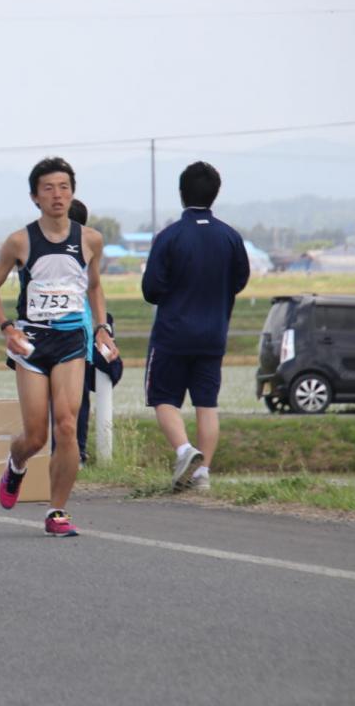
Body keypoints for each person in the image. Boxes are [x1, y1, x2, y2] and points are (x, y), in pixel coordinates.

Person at [0, 157, 119, 537]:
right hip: (31, 343)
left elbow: (93, 286)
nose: (57, 195)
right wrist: (7, 328)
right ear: (35, 197)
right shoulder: (20, 241)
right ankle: (16, 463)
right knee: (36, 435)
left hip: (72, 341)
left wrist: (102, 328)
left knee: (67, 424)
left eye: (63, 187)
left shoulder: (90, 239)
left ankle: (57, 510)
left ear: (72, 192)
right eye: (48, 188)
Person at [142, 162, 250, 491]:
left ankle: (185, 450)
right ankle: (204, 474)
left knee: (163, 398)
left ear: (181, 192)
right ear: (215, 193)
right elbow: (239, 280)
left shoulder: (170, 236)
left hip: (173, 333)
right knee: (207, 403)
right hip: (213, 333)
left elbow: (151, 289)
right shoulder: (230, 237)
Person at [48, 198, 124, 465]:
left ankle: (70, 454)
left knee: (69, 400)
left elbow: (94, 291)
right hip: (73, 335)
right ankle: (73, 454)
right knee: (72, 399)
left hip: (72, 336)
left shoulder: (71, 253)